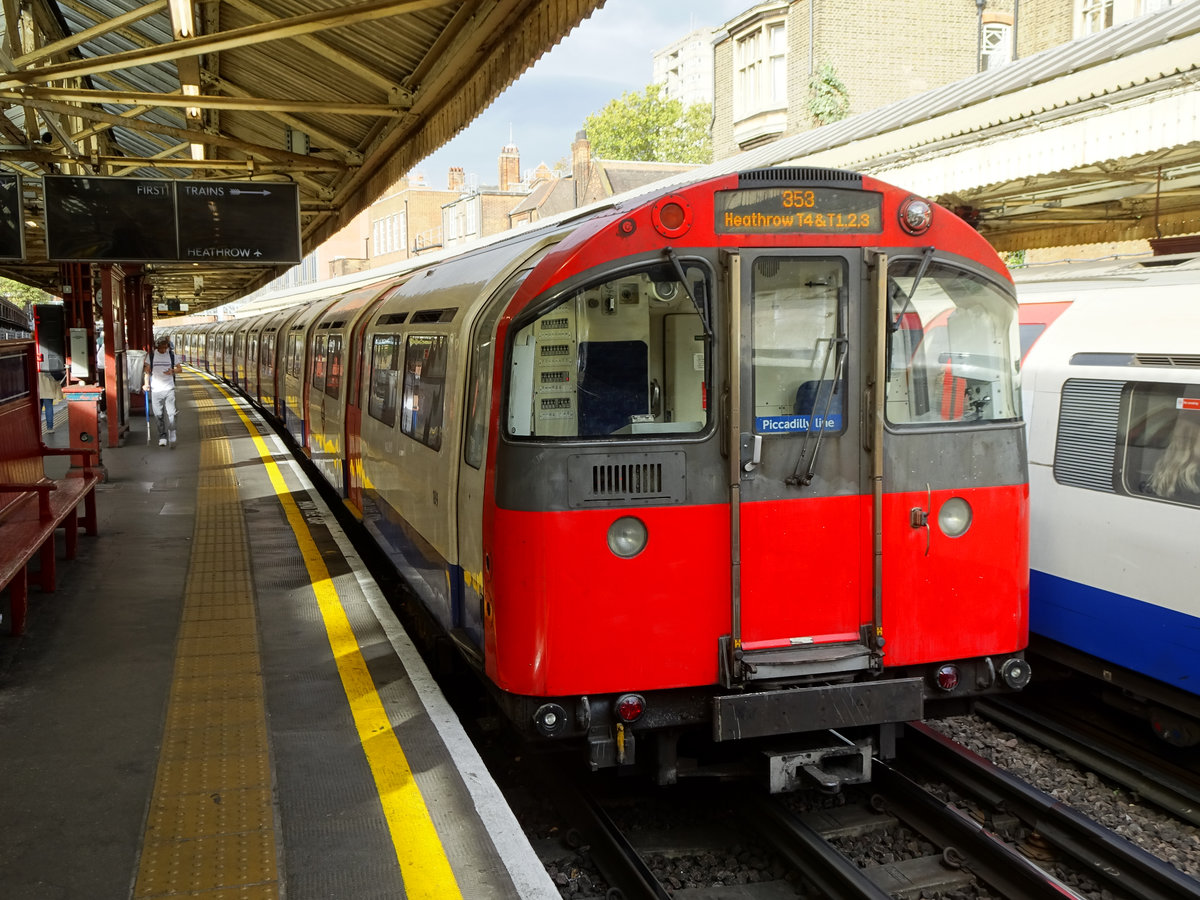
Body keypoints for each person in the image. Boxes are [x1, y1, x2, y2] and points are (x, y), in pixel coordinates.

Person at [143, 335, 181, 447]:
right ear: (157, 347)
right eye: (162, 348)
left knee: (172, 414)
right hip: (156, 389)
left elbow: (180, 369)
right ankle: (162, 436)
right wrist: (146, 384)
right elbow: (147, 371)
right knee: (158, 415)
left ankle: (172, 431)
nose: (164, 350)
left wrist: (172, 371)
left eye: (166, 347)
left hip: (169, 388)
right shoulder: (151, 356)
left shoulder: (171, 355)